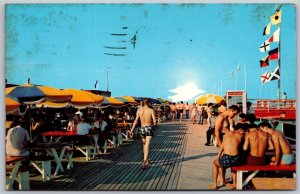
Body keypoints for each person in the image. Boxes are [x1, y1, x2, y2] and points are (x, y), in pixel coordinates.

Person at [129, 98, 157, 169]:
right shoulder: (151, 110)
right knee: (147, 145)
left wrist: (131, 130)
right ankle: (144, 163)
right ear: (149, 103)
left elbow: (135, 121)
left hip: (142, 128)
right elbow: (155, 121)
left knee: (144, 145)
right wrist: (154, 123)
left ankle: (147, 160)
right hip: (148, 128)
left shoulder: (139, 110)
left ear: (143, 103)